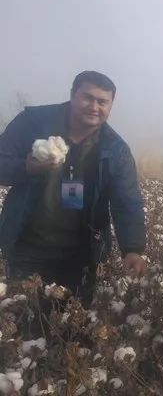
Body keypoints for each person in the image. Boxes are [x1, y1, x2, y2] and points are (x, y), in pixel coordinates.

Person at [0, 71, 147, 303]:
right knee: (26, 324)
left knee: (73, 328)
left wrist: (133, 247)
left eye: (102, 102)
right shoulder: (33, 122)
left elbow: (127, 201)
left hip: (82, 255)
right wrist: (26, 167)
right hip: (28, 247)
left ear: (111, 106)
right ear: (72, 95)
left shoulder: (116, 149)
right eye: (87, 98)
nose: (94, 107)